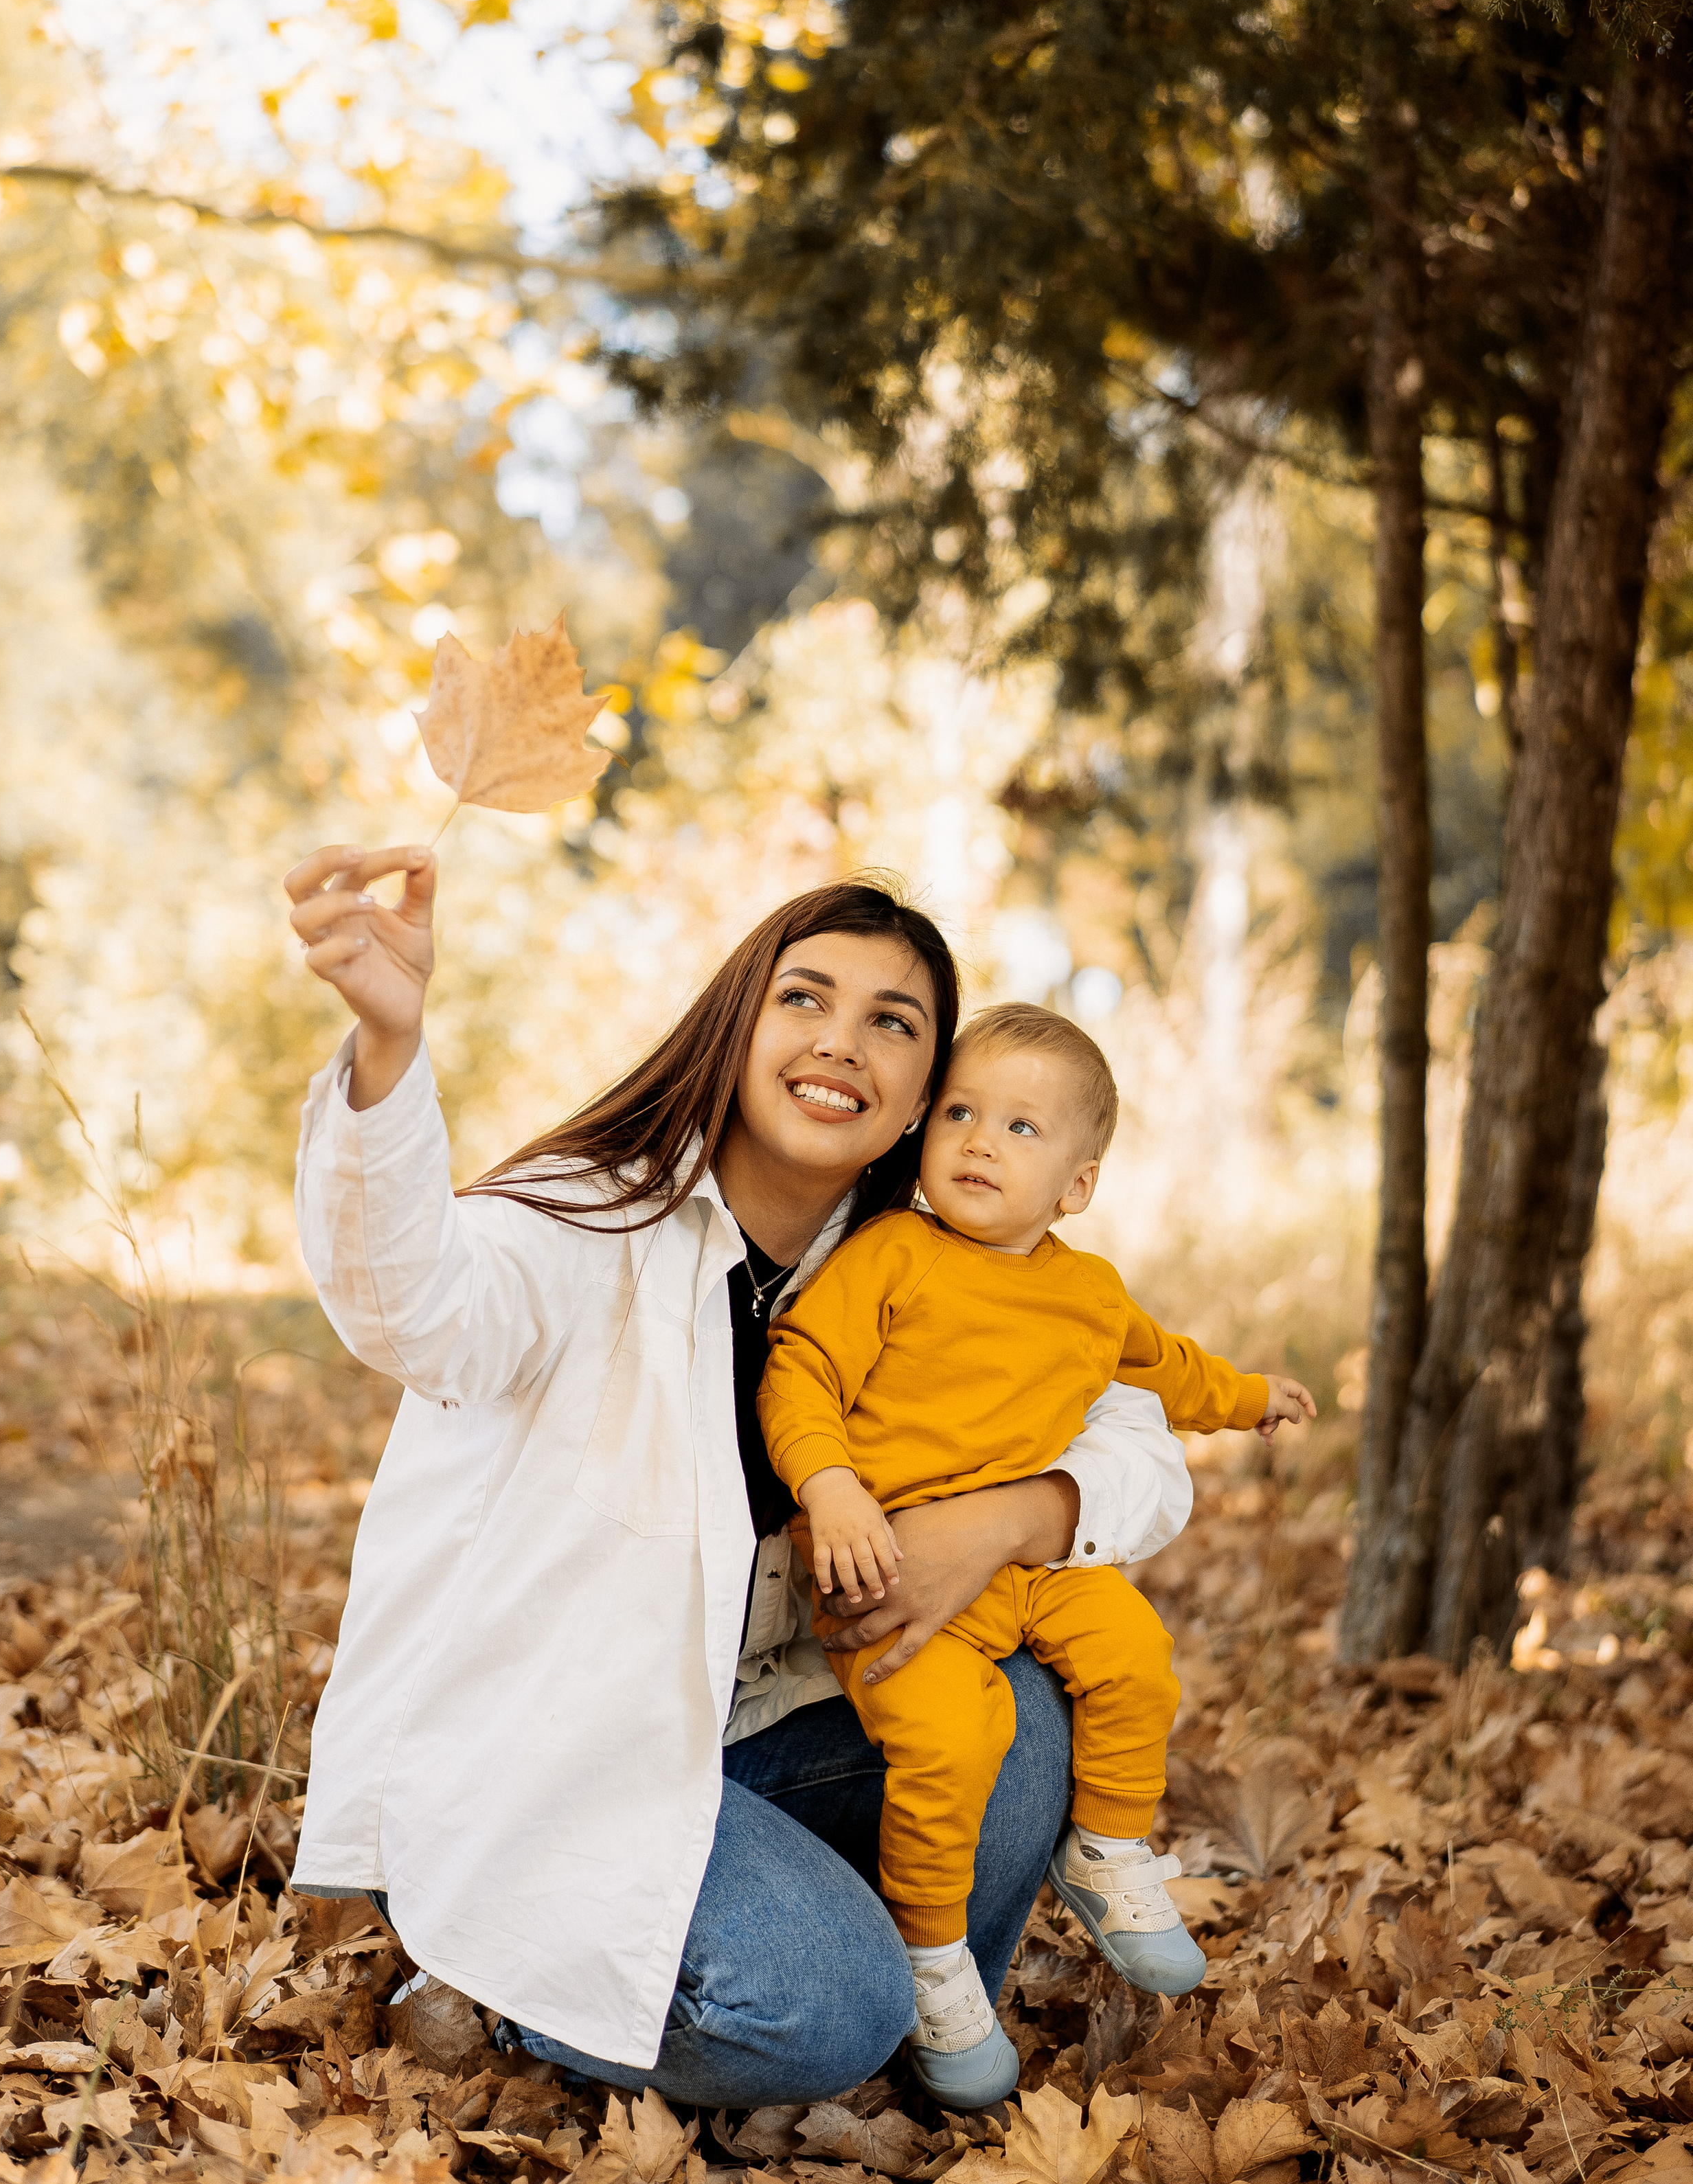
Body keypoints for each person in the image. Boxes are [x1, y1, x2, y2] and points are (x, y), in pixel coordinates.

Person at [282, 848, 1195, 2108]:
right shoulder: (586, 1217)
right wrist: (389, 1048)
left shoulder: (919, 1264)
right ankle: (506, 2002)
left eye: (894, 1023)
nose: (842, 1046)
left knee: (1023, 1714)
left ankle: (932, 2046)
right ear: (738, 1020)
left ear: (931, 1092)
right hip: (562, 1762)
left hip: (750, 1738)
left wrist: (1010, 1519)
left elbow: (1139, 1444)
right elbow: (415, 1308)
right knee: (822, 2008)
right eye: (805, 1000)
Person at [760, 1003, 1316, 2105]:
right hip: (887, 1574)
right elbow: (800, 1373)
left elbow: (1172, 1369)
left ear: (1076, 1185)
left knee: (1133, 1655)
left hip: (1027, 1568)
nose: (976, 1140)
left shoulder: (1087, 1292)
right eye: (960, 1112)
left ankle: (1108, 1847)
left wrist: (1254, 1398)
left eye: (1020, 1127)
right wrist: (828, 1488)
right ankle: (932, 1961)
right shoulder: (891, 1255)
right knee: (954, 1746)